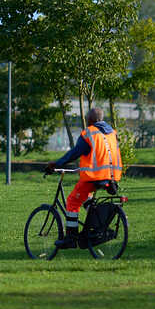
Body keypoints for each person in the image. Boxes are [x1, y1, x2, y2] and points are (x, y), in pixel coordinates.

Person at [49, 107, 123, 249]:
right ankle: (94, 227)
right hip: (111, 177)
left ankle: (70, 239)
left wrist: (56, 164)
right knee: (87, 199)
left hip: (94, 177)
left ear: (90, 120)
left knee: (72, 201)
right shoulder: (112, 133)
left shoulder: (89, 133)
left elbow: (74, 153)